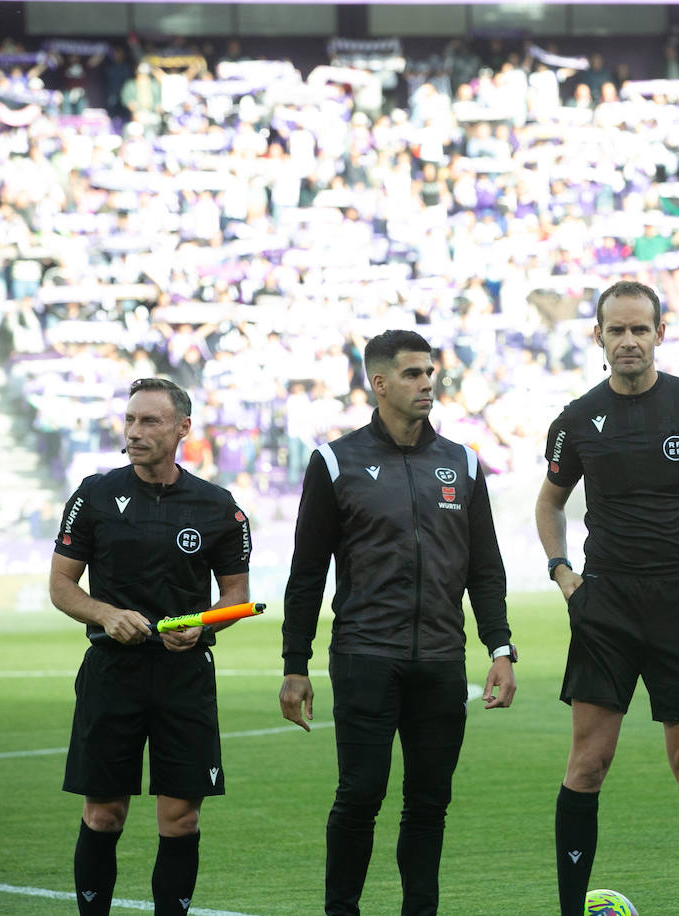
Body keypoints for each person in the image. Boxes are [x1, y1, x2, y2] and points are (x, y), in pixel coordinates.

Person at [534, 280, 679, 916]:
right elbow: (548, 502)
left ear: (660, 333)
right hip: (605, 605)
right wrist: (561, 571)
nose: (628, 341)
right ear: (598, 337)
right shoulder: (577, 419)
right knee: (589, 764)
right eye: (616, 330)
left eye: (639, 329)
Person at [279, 329, 515, 916]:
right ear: (378, 384)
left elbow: (485, 567)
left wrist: (501, 648)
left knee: (430, 801)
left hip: (440, 659)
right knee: (360, 795)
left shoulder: (461, 461)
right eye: (412, 374)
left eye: (429, 372)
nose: (426, 383)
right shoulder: (335, 462)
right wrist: (294, 665)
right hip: (365, 656)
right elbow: (307, 572)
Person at [51, 377, 253, 916]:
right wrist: (105, 614)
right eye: (130, 421)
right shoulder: (94, 494)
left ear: (183, 428)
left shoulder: (217, 506)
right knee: (103, 815)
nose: (135, 433)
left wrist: (204, 628)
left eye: (150, 422)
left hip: (183, 677)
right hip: (111, 673)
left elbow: (236, 599)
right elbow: (62, 587)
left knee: (180, 819)